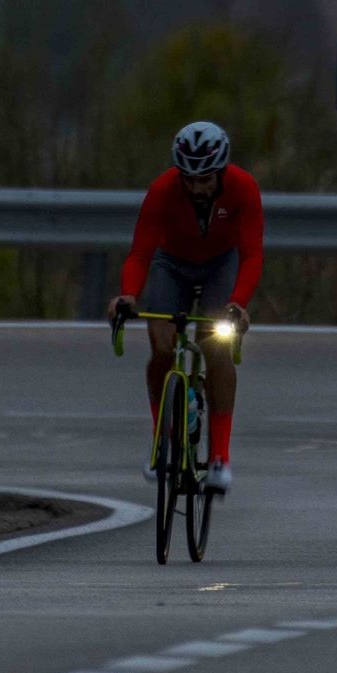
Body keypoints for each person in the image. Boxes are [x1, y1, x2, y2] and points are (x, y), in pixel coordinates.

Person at [109, 120, 263, 494]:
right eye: (188, 180)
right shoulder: (163, 189)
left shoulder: (243, 188)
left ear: (221, 172)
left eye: (205, 180)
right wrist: (128, 295)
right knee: (162, 346)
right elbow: (140, 253)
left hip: (220, 264)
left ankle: (220, 456)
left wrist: (238, 304)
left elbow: (251, 255)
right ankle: (162, 440)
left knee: (216, 346)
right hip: (172, 263)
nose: (196, 188)